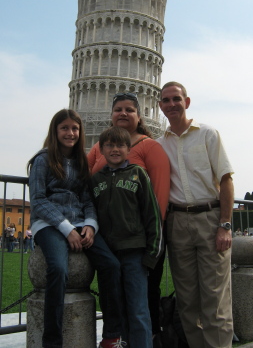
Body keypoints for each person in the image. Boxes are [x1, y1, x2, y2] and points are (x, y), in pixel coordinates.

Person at [28, 109, 126, 348]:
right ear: (55, 131)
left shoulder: (81, 161)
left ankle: (111, 335)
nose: (70, 133)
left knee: (111, 265)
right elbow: (38, 200)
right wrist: (65, 229)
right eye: (65, 128)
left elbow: (87, 199)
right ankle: (52, 341)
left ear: (80, 132)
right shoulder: (42, 159)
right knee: (58, 269)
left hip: (80, 222)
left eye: (74, 128)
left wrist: (91, 226)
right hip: (49, 223)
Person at [88, 92, 170, 347]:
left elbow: (157, 202)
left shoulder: (149, 147)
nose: (123, 114)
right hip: (107, 246)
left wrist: (151, 247)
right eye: (118, 109)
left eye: (129, 110)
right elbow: (81, 180)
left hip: (137, 245)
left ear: (138, 115)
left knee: (139, 303)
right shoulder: (97, 151)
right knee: (115, 302)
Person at [157, 81, 234, 348]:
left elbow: (225, 180)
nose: (171, 104)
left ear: (186, 102)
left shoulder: (208, 134)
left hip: (210, 219)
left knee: (215, 299)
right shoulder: (159, 144)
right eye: (166, 100)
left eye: (176, 99)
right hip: (177, 222)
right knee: (187, 301)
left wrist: (225, 225)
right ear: (160, 106)